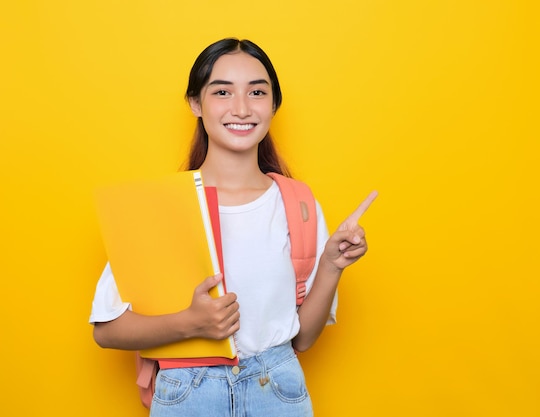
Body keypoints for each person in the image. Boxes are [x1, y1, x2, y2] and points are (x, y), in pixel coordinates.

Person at [89, 37, 376, 417]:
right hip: (189, 394)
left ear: (273, 105)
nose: (241, 108)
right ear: (195, 103)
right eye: (222, 91)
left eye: (257, 92)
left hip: (278, 391)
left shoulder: (299, 204)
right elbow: (107, 331)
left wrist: (331, 266)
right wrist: (188, 323)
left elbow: (303, 339)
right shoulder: (164, 208)